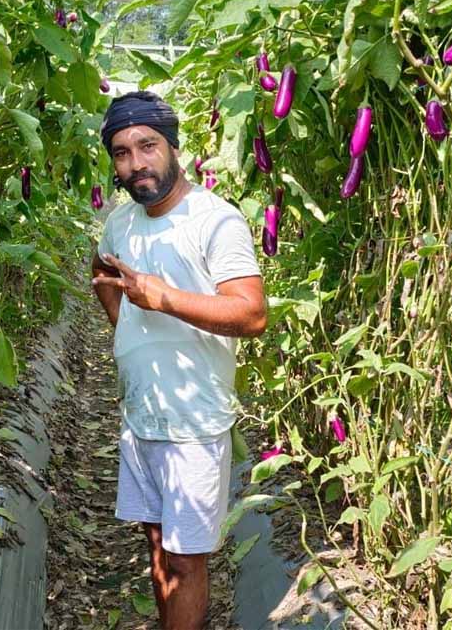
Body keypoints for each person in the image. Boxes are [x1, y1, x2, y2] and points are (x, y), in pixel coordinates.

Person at [91, 90, 267, 630]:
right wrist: (127, 329)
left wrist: (162, 298)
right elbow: (101, 273)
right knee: (158, 550)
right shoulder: (122, 223)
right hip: (141, 416)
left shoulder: (214, 221)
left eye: (147, 146)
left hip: (194, 424)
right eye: (122, 153)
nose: (136, 163)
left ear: (173, 147)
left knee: (187, 563)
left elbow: (251, 314)